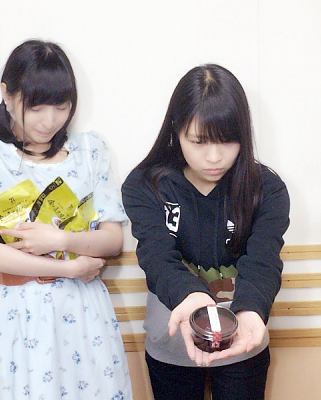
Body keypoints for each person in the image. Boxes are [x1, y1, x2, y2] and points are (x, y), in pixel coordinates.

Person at [0, 39, 132, 400]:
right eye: (35, 107)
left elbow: (113, 239)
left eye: (61, 107)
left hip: (84, 315)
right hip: (17, 315)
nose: (50, 121)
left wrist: (61, 241)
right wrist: (69, 268)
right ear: (7, 95)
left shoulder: (90, 151)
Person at [121, 64, 289, 400]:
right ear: (176, 130)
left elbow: (263, 261)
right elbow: (156, 256)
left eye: (227, 140)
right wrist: (193, 298)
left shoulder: (267, 189)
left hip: (245, 341)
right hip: (171, 344)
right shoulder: (145, 186)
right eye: (199, 141)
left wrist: (251, 311)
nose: (214, 157)